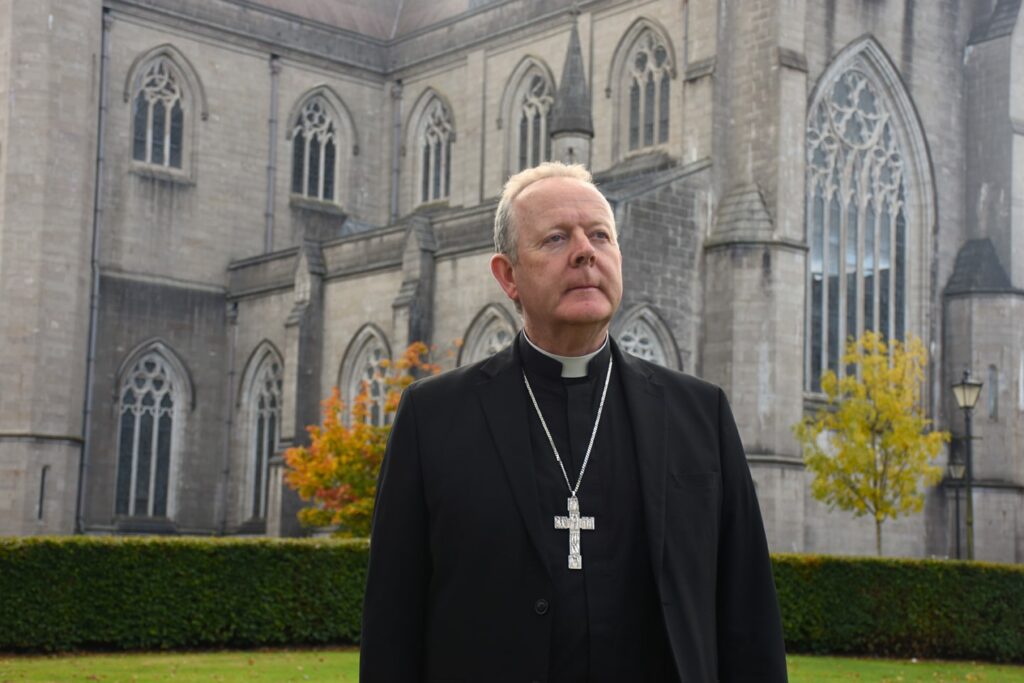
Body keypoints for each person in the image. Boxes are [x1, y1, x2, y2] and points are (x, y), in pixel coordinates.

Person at [360, 162, 788, 682]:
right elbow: (392, 624)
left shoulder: (701, 413)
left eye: (601, 235)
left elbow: (750, 618)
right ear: (508, 276)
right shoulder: (432, 418)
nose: (586, 251)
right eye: (556, 238)